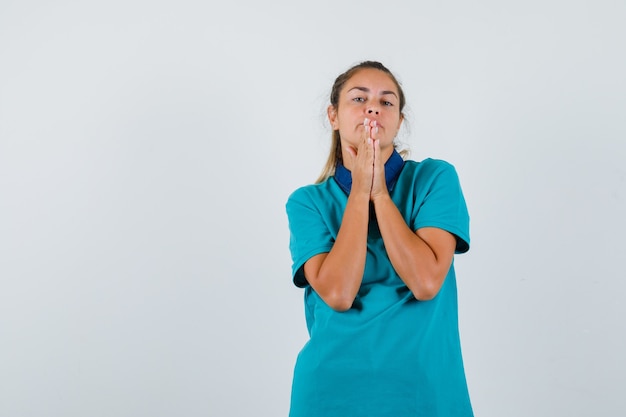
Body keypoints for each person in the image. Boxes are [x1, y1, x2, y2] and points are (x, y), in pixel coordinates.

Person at [285, 61, 473, 416]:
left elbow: (426, 282)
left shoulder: (434, 179)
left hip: (425, 394)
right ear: (334, 115)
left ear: (399, 121)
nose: (373, 107)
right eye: (359, 98)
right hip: (331, 395)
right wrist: (359, 193)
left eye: (386, 102)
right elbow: (338, 294)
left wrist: (380, 195)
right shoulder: (307, 203)